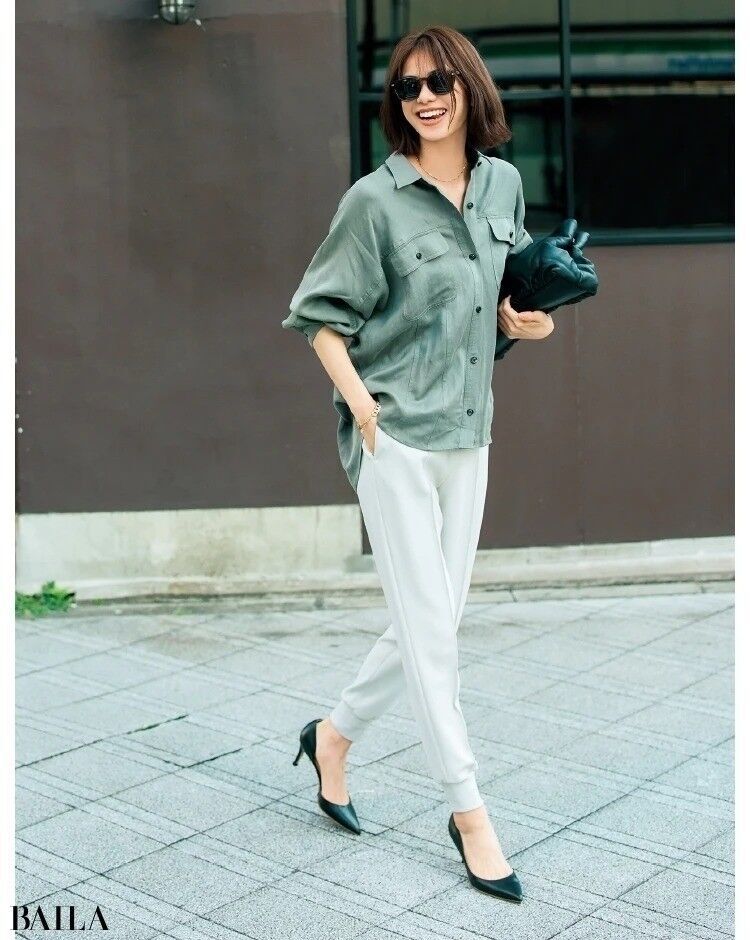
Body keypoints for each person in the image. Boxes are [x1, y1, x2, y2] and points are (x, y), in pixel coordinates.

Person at [282, 25, 554, 902]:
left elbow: (494, 291)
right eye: (408, 87)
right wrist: (364, 411)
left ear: (469, 87)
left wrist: (523, 319)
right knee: (434, 636)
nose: (425, 98)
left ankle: (332, 738)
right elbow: (320, 320)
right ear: (396, 103)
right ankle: (469, 812)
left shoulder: (502, 184)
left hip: (469, 434)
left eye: (439, 82)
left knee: (425, 623)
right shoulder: (375, 201)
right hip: (394, 438)